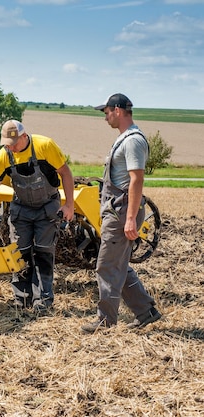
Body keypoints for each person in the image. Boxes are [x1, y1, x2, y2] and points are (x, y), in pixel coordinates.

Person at [81, 93, 162, 333]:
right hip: (117, 212)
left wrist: (129, 219)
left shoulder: (133, 141)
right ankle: (146, 312)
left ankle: (105, 321)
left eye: (106, 112)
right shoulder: (124, 139)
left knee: (106, 266)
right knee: (118, 264)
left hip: (122, 213)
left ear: (117, 110)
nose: (105, 117)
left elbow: (137, 180)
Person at [0, 120, 74, 313]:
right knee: (19, 252)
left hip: (47, 207)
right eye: (7, 144)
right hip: (22, 208)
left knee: (43, 252)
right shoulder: (3, 156)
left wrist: (69, 204)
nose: (11, 147)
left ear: (24, 136)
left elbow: (65, 173)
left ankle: (43, 302)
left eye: (14, 143)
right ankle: (22, 300)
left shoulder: (45, 146)